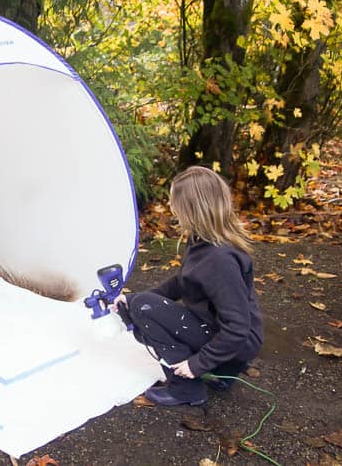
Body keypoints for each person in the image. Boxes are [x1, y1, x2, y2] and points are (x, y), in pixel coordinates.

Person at [112, 166, 263, 406]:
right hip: (230, 338)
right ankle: (225, 373)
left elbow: (237, 327)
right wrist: (132, 300)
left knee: (144, 311)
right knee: (140, 306)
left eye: (175, 204)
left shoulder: (220, 260)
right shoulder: (203, 243)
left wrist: (196, 365)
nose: (172, 209)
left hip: (237, 342)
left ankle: (186, 389)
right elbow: (182, 283)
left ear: (192, 209)